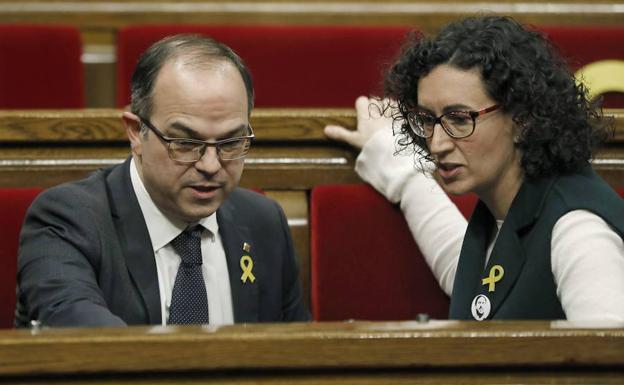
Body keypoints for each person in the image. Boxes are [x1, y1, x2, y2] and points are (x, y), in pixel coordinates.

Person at [325, 16, 624, 321]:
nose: (437, 144)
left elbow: (607, 359)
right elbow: (478, 283)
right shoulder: (508, 208)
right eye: (428, 119)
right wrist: (395, 162)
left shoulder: (579, 232)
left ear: (523, 119)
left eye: (459, 119)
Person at [16, 34, 310, 327]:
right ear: (135, 132)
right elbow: (89, 342)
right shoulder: (67, 220)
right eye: (184, 142)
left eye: (231, 142)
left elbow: (297, 355)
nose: (210, 165)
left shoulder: (263, 222)